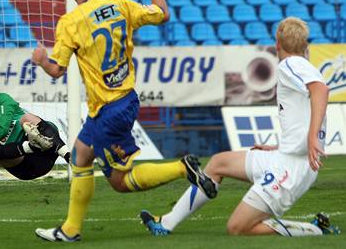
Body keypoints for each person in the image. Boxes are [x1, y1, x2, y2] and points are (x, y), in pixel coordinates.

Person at [31, 0, 207, 242]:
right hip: (124, 99)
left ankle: (181, 167)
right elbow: (163, 13)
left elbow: (57, 70)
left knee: (121, 182)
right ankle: (70, 229)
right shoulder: (120, 5)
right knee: (80, 155)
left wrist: (40, 59)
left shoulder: (71, 22)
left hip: (108, 109)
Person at [140, 17, 341, 237]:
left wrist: (312, 137)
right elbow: (306, 109)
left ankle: (315, 229)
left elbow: (320, 90)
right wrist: (280, 146)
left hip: (292, 169)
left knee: (237, 228)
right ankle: (166, 223)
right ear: (305, 45)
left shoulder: (290, 64)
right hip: (284, 156)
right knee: (218, 163)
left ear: (277, 44)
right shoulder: (301, 65)